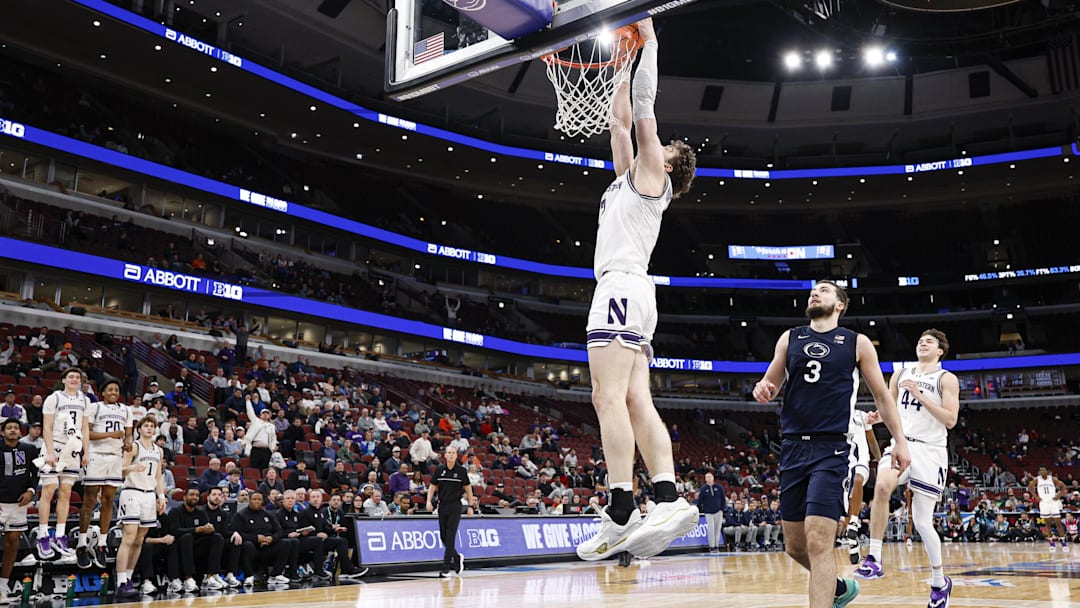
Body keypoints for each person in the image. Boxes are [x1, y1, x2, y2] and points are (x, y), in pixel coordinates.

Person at [575, 18, 699, 562]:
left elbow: (644, 114)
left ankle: (626, 503)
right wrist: (622, 61)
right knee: (631, 398)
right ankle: (658, 497)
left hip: (621, 286)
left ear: (670, 166)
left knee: (607, 398)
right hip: (631, 291)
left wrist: (649, 40)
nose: (658, 144)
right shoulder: (631, 177)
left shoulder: (655, 175)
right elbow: (621, 120)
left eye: (665, 147)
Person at [754, 281, 910, 608]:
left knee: (818, 540)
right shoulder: (790, 338)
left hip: (832, 449)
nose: (815, 292)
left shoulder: (857, 343)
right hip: (794, 447)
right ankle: (838, 587)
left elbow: (882, 397)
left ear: (840, 305)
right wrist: (763, 389)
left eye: (824, 290)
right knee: (795, 546)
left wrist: (899, 441)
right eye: (814, 290)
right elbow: (771, 382)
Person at [855, 329, 957, 608]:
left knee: (923, 522)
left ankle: (939, 582)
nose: (923, 342)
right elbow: (889, 406)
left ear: (940, 351)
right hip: (902, 444)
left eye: (930, 341)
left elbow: (950, 420)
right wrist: (878, 418)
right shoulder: (900, 374)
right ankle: (874, 557)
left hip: (931, 450)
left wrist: (921, 396)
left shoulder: (946, 379)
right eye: (920, 339)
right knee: (882, 486)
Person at [36, 367, 91, 559]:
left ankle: (60, 535)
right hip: (55, 447)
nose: (75, 379)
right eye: (71, 377)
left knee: (66, 493)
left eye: (78, 377)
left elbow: (84, 428)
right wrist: (49, 451)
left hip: (73, 450)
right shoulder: (55, 398)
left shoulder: (85, 400)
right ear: (64, 380)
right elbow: (47, 427)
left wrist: (86, 451)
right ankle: (43, 535)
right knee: (49, 490)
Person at [77, 379, 133, 569]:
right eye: (110, 389)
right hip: (96, 456)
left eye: (116, 389)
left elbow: (129, 435)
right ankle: (81, 543)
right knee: (90, 500)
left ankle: (101, 543)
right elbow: (87, 434)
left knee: (109, 499)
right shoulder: (95, 408)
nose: (114, 392)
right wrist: (109, 435)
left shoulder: (126, 410)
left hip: (115, 457)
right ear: (103, 392)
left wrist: (128, 443)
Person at [113, 415, 167, 598]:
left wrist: (161, 496)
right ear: (140, 429)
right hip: (132, 493)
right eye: (146, 426)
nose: (149, 429)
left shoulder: (159, 450)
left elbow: (158, 477)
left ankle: (128, 578)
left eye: (152, 426)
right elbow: (119, 469)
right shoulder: (134, 446)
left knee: (139, 540)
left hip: (149, 495)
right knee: (128, 537)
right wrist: (130, 468)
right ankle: (120, 580)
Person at [0, 418, 37, 602]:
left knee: (12, 543)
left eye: (16, 428)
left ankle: (2, 586)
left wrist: (31, 491)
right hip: (0, 503)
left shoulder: (29, 449)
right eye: (9, 428)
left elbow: (35, 473)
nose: (13, 430)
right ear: (2, 431)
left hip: (18, 504)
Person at [230, 492, 300, 586]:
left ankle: (275, 575)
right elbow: (237, 533)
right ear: (249, 500)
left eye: (259, 499)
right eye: (254, 499)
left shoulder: (268, 514)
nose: (257, 502)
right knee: (247, 545)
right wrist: (256, 538)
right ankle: (249, 576)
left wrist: (271, 538)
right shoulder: (240, 515)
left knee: (286, 543)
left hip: (268, 546)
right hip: (252, 547)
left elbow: (279, 531)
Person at [840, 408, 880, 564]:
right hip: (844, 463)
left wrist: (881, 460)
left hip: (862, 459)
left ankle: (854, 522)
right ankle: (853, 543)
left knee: (858, 480)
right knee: (848, 504)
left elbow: (871, 440)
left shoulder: (861, 415)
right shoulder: (834, 415)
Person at [167, 487, 227, 591]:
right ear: (185, 497)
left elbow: (206, 528)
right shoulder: (175, 511)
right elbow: (174, 531)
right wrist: (197, 529)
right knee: (187, 537)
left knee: (217, 537)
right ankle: (188, 579)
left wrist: (210, 529)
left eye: (197, 495)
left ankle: (209, 577)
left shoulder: (201, 513)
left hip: (197, 546)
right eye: (192, 495)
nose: (195, 497)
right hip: (180, 546)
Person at [427, 445, 473, 577]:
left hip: (455, 506)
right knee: (443, 537)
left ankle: (446, 567)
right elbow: (432, 486)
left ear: (456, 455)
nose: (451, 455)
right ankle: (457, 557)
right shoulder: (440, 470)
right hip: (442, 506)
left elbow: (468, 489)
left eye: (453, 452)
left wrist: (470, 506)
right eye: (449, 453)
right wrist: (429, 501)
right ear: (445, 455)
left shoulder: (461, 471)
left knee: (450, 536)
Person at [1030, 465, 1069, 553]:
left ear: (1047, 472)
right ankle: (1051, 542)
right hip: (1044, 503)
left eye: (1043, 470)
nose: (1042, 472)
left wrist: (1058, 496)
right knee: (1047, 524)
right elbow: (1030, 487)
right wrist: (1036, 496)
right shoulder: (1037, 479)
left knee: (1058, 523)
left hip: (1053, 502)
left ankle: (1063, 541)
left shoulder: (1052, 479)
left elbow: (1063, 486)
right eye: (1040, 471)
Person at [696, 472, 726, 552]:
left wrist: (722, 509)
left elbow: (723, 498)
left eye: (710, 477)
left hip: (718, 512)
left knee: (717, 529)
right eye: (707, 477)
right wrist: (698, 510)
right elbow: (700, 501)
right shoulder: (703, 489)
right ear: (705, 479)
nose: (708, 478)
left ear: (713, 478)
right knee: (710, 529)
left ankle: (717, 546)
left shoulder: (719, 487)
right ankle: (711, 546)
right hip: (708, 512)